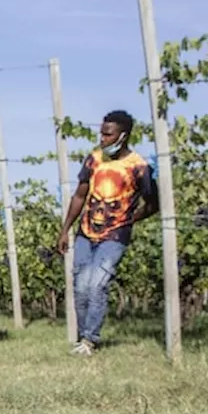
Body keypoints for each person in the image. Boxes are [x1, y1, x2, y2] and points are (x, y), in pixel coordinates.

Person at [56, 110, 157, 356]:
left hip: (115, 236)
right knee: (81, 285)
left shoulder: (138, 167)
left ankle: (90, 340)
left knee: (97, 284)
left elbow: (153, 203)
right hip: (86, 233)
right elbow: (80, 195)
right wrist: (65, 229)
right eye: (101, 133)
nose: (102, 139)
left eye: (108, 135)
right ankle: (83, 337)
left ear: (123, 136)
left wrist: (130, 219)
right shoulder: (94, 160)